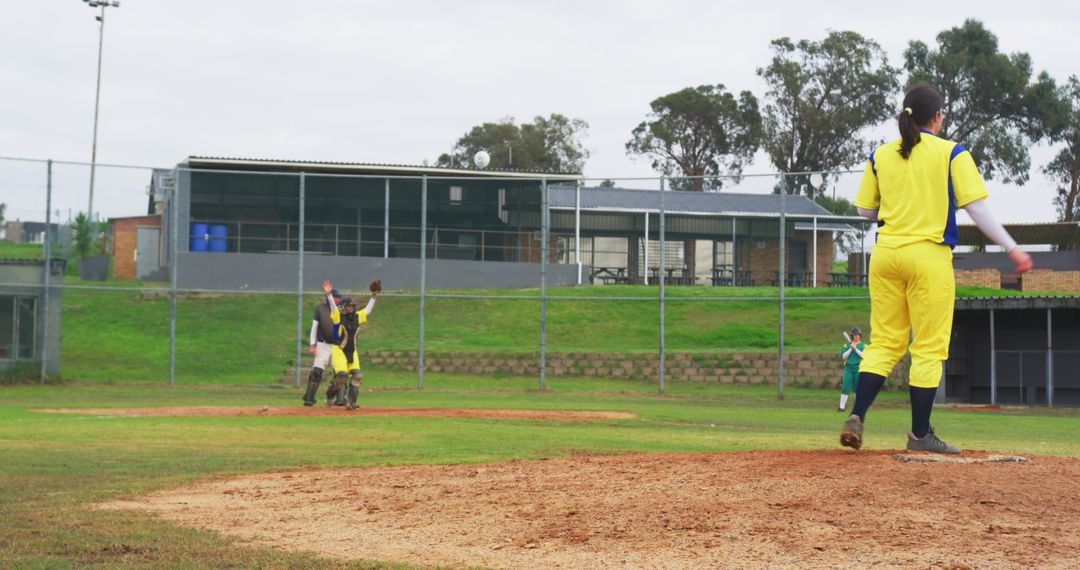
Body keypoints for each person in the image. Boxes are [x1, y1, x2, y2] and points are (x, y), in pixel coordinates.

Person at [840, 85, 1033, 454]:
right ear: (937, 116)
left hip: (885, 255)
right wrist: (1012, 247)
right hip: (927, 256)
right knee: (928, 347)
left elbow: (865, 212)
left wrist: (898, 210)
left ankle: (858, 415)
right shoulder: (951, 153)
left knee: (883, 343)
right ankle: (919, 436)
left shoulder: (880, 154)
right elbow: (976, 208)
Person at [325, 281, 379, 410]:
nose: (350, 308)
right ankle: (329, 396)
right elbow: (333, 307)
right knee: (342, 377)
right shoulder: (338, 316)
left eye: (352, 306)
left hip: (352, 351)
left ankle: (351, 402)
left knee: (357, 376)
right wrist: (328, 295)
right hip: (339, 350)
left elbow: (367, 311)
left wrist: (373, 298)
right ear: (343, 307)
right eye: (348, 306)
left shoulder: (357, 317)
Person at [303, 280, 342, 406]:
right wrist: (312, 345)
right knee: (317, 371)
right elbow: (314, 327)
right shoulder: (320, 309)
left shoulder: (340, 311)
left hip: (337, 346)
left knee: (340, 372)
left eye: (338, 298)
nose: (337, 300)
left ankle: (336, 397)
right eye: (335, 297)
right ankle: (309, 397)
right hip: (323, 344)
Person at [837, 327, 864, 412]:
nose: (857, 336)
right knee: (845, 387)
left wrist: (855, 349)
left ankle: (856, 408)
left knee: (857, 389)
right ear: (852, 336)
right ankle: (841, 407)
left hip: (858, 368)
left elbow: (864, 356)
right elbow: (843, 356)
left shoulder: (863, 345)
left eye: (858, 335)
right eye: (855, 335)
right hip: (848, 368)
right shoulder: (846, 345)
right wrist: (850, 349)